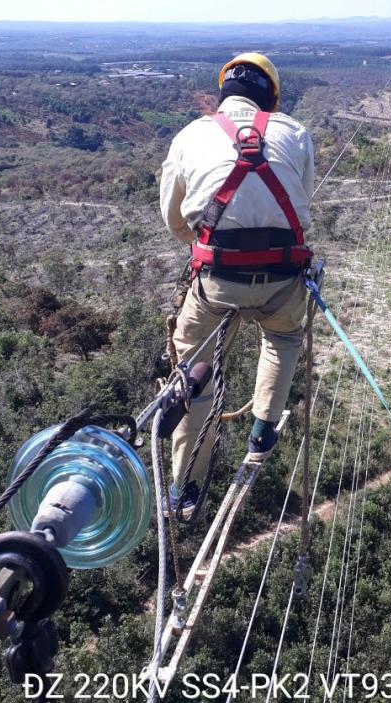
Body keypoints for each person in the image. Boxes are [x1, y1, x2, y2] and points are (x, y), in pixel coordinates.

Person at [159, 52, 315, 518]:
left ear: (224, 95)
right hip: (282, 281)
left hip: (216, 282)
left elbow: (174, 222)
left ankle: (184, 485)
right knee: (284, 337)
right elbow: (301, 205)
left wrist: (209, 240)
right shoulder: (296, 133)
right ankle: (264, 426)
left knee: (194, 375)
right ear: (272, 98)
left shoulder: (190, 135)